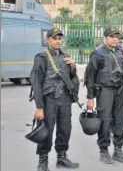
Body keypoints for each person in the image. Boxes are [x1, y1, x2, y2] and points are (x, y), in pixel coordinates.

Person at [30, 27, 79, 171]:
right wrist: (39, 107)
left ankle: (62, 158)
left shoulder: (66, 56)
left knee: (65, 129)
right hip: (49, 100)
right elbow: (37, 83)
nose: (58, 41)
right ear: (47, 40)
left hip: (64, 99)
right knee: (47, 130)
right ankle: (43, 162)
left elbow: (72, 78)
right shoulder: (42, 57)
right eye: (54, 38)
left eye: (60, 38)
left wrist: (73, 66)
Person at [84, 26, 123, 165]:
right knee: (105, 121)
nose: (115, 39)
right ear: (105, 38)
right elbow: (90, 77)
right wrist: (90, 98)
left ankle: (118, 149)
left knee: (120, 120)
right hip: (104, 91)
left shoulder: (120, 52)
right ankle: (104, 150)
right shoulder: (98, 54)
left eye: (117, 37)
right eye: (112, 37)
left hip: (119, 91)